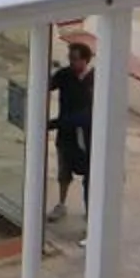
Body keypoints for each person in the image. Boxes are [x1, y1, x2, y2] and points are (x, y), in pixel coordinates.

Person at [45, 37, 95, 222]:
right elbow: (46, 86)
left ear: (85, 60)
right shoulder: (64, 75)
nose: (71, 62)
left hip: (85, 135)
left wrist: (53, 124)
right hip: (65, 134)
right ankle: (61, 203)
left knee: (89, 174)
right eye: (70, 58)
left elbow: (87, 114)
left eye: (75, 58)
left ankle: (90, 210)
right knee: (63, 170)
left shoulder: (94, 81)